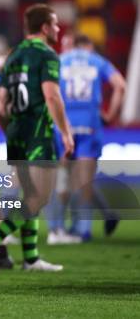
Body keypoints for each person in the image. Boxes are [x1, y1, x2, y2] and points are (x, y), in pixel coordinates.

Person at [0, 3, 74, 272]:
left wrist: (12, 128)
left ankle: (31, 258)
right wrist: (66, 133)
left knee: (29, 194)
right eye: (55, 24)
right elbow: (52, 95)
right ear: (45, 27)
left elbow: (1, 103)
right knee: (39, 198)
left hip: (17, 133)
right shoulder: (47, 55)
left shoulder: (13, 55)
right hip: (38, 133)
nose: (58, 29)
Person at [47, 34, 126, 242]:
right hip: (90, 125)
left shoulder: (60, 61)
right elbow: (120, 85)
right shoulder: (97, 60)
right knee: (85, 181)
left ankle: (57, 228)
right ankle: (83, 229)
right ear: (88, 45)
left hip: (65, 126)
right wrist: (111, 115)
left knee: (62, 177)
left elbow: (49, 93)